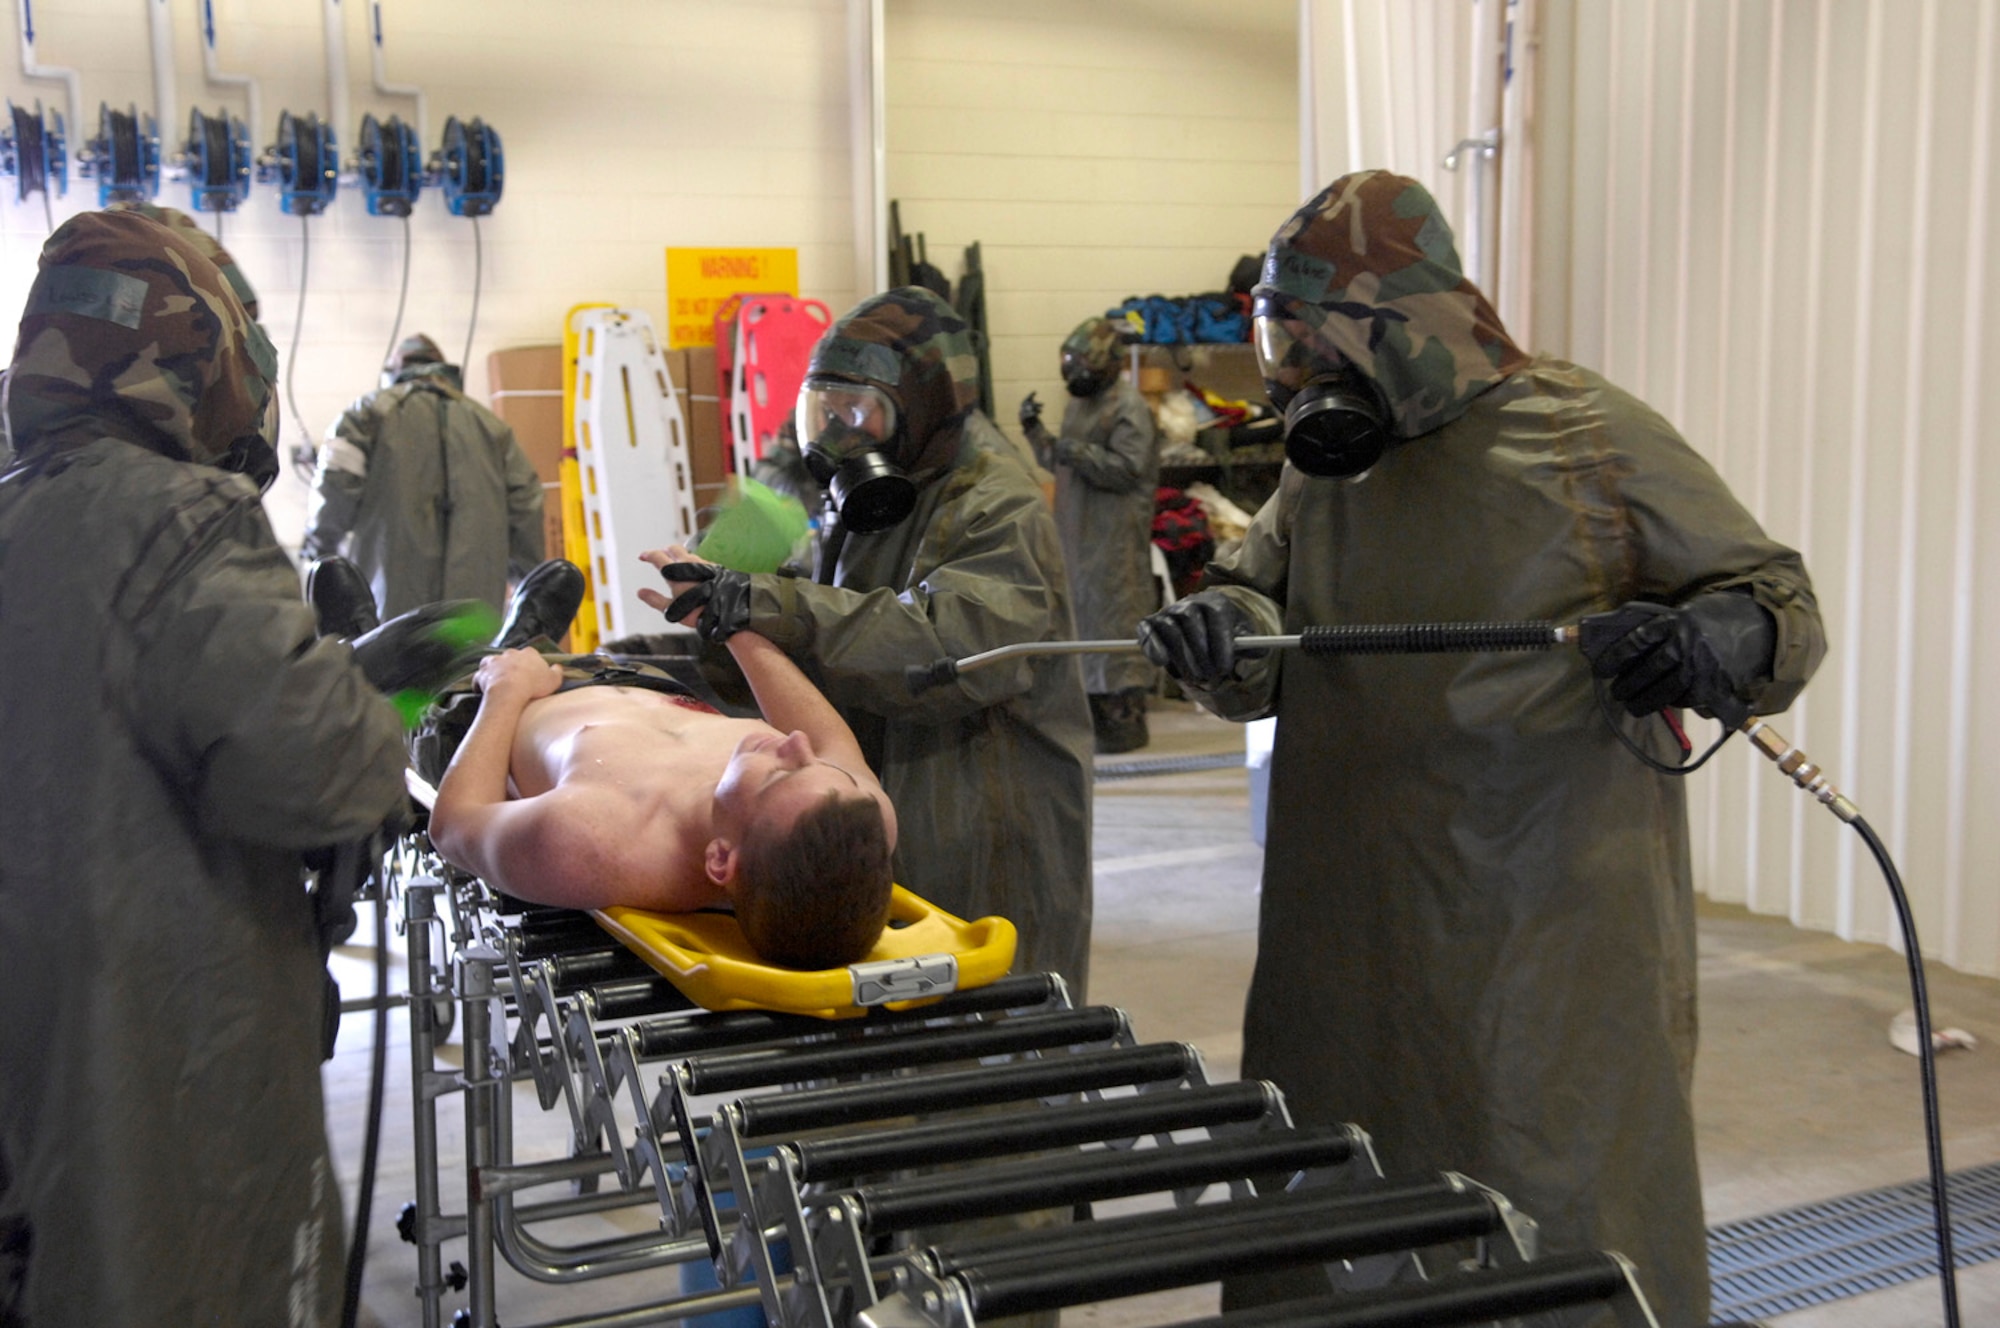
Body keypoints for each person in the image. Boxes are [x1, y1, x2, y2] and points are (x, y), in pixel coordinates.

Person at [1137, 170, 1826, 1328]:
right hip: (1343, 927)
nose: (1296, 378)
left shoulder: (1584, 434)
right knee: (1337, 1185)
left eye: (1312, 341)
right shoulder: (1325, 469)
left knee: (1550, 1189)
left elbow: (1777, 600)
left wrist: (1719, 634)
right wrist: (1220, 634)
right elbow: (1256, 624)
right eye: (1279, 345)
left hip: (1536, 931)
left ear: (1398, 327)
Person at [0, 209, 408, 1326]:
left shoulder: (20, 513)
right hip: (161, 1079)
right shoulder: (179, 518)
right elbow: (321, 772)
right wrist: (368, 697)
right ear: (204, 356)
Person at [646, 287, 1096, 997]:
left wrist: (762, 603)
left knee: (992, 1014)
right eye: (827, 407)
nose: (840, 430)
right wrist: (709, 597)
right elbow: (776, 574)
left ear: (922, 406)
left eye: (859, 409)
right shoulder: (867, 485)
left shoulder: (993, 500)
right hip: (880, 784)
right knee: (888, 1002)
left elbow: (945, 646)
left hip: (981, 809)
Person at [423, 548, 899, 971]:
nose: (796, 743)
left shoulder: (593, 841)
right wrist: (724, 617)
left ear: (720, 859)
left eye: (777, 776)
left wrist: (505, 692)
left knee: (421, 647)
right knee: (508, 641)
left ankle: (411, 657)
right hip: (635, 681)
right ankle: (524, 637)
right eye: (817, 763)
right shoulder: (858, 817)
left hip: (485, 709)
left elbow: (454, 825)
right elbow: (824, 735)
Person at [301, 331, 545, 621]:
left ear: (393, 374)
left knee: (389, 662)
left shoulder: (366, 415)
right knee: (472, 666)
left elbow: (334, 489)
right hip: (472, 617)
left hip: (388, 613)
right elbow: (527, 509)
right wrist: (527, 583)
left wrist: (317, 550)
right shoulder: (492, 429)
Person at [1018, 316, 1160, 753]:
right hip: (1076, 538)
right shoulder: (1081, 405)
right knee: (1083, 628)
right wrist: (1036, 434)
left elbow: (1125, 469)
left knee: (1115, 625)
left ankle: (1123, 726)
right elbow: (1061, 464)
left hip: (1114, 538)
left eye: (1079, 362)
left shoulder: (1128, 406)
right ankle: (1095, 723)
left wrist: (1068, 449)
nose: (1072, 372)